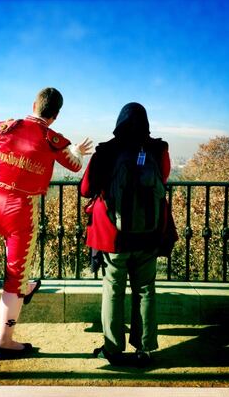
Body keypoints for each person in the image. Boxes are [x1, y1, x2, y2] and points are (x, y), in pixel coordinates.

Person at [0, 87, 92, 360]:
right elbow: (73, 165)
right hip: (20, 211)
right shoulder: (52, 139)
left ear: (34, 104)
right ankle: (5, 342)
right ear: (56, 115)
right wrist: (78, 151)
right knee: (14, 276)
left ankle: (26, 287)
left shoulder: (4, 128)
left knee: (18, 273)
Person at [80, 102, 171, 367]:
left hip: (113, 236)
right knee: (145, 289)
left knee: (113, 289)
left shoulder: (107, 151)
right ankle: (145, 349)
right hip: (149, 233)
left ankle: (113, 349)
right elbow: (162, 179)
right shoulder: (158, 149)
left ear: (119, 122)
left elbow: (86, 188)